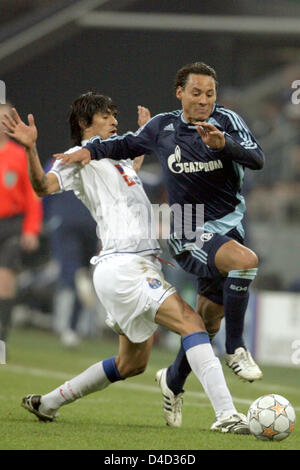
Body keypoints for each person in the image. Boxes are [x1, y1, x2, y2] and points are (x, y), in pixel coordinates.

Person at [3, 93, 249, 433]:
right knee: (192, 322)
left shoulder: (116, 160)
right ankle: (227, 415)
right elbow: (43, 187)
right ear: (84, 123)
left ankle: (49, 402)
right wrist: (31, 148)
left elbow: (124, 181)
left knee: (131, 363)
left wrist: (143, 140)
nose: (114, 121)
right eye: (106, 116)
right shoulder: (77, 158)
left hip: (134, 266)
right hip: (125, 266)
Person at [52, 62, 265, 426]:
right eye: (195, 93)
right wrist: (89, 150)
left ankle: (173, 380)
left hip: (228, 226)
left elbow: (257, 158)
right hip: (186, 225)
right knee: (245, 262)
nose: (203, 101)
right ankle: (236, 349)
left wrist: (224, 144)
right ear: (179, 93)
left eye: (210, 94)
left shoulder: (228, 121)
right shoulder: (162, 127)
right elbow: (123, 143)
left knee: (205, 324)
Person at [0, 103, 42, 343]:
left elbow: (33, 195)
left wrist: (31, 229)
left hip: (11, 225)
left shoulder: (20, 154)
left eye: (5, 118)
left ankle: (2, 337)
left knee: (4, 279)